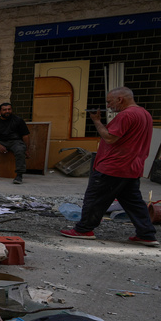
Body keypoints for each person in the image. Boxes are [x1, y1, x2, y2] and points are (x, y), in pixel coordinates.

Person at [61, 87, 158, 246]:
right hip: (131, 167)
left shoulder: (126, 114)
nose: (108, 105)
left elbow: (110, 138)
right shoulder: (144, 114)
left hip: (114, 166)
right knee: (133, 202)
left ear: (120, 99)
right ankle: (146, 234)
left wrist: (96, 121)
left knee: (94, 198)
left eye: (109, 101)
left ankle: (84, 229)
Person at [0, 103, 30, 184]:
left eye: (9, 109)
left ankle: (19, 175)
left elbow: (25, 136)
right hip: (0, 142)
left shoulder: (18, 120)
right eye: (4, 110)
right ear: (0, 111)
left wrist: (27, 149)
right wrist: (0, 146)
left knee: (20, 150)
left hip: (15, 141)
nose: (7, 111)